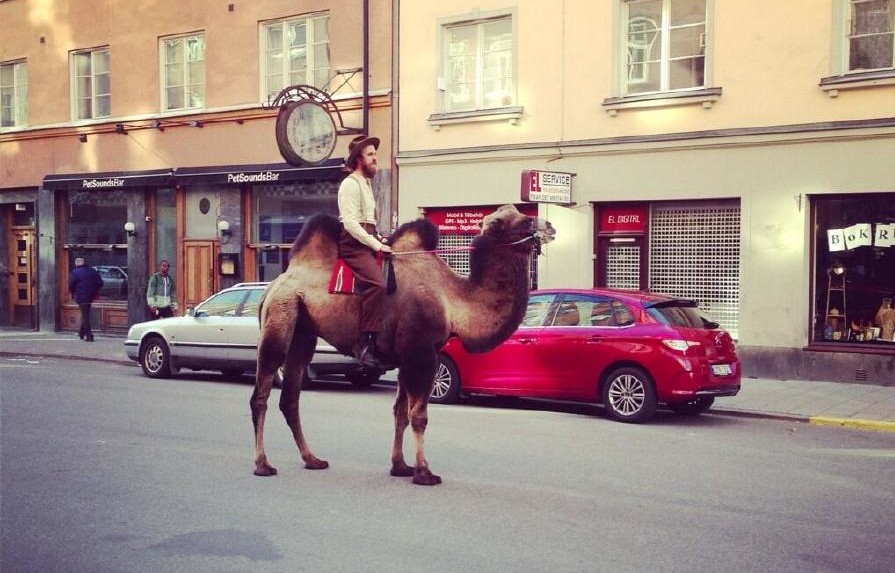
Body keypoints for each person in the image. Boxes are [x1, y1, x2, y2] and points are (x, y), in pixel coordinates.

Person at [337, 134, 392, 368]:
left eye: (375, 154)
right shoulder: (350, 184)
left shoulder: (366, 183)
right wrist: (377, 245)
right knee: (378, 285)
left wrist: (381, 238)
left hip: (367, 238)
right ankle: (365, 344)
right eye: (370, 154)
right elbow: (350, 223)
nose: (375, 158)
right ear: (359, 159)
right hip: (353, 245)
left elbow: (369, 222)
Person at [68, 257, 103, 342]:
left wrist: (73, 292)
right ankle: (81, 333)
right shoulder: (92, 271)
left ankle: (89, 336)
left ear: (76, 263)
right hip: (90, 296)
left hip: (81, 296)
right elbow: (100, 283)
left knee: (85, 316)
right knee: (85, 313)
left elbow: (71, 284)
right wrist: (94, 290)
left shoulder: (75, 272)